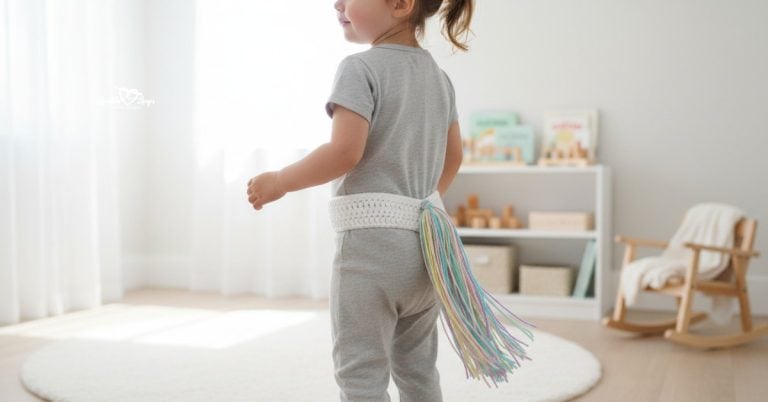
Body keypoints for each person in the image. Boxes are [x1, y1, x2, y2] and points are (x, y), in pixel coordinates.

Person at [247, 0, 473, 400]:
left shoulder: (360, 68)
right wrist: (419, 203)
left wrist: (281, 180)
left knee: (361, 372)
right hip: (427, 250)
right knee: (418, 368)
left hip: (371, 254)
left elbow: (344, 153)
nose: (336, 3)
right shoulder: (440, 79)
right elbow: (453, 156)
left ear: (401, 4)